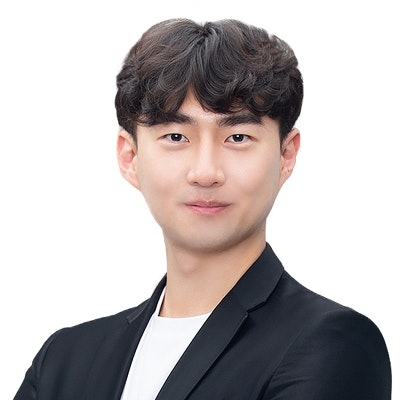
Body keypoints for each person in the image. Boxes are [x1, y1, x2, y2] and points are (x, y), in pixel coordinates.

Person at [14, 18, 391, 400]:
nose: (206, 172)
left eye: (238, 137)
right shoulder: (63, 361)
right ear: (130, 157)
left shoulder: (331, 345)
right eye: (176, 136)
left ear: (286, 155)